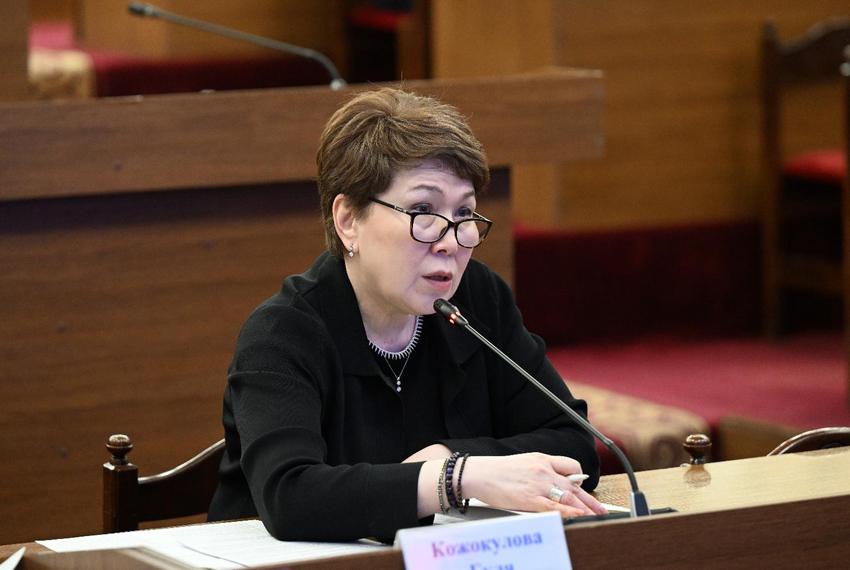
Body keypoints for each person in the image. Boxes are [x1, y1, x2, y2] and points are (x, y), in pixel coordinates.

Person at [207, 87, 606, 542]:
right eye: (422, 210)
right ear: (348, 220)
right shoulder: (282, 333)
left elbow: (575, 442)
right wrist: (454, 478)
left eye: (465, 212)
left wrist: (449, 456)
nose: (450, 241)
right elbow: (290, 496)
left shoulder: (478, 299)